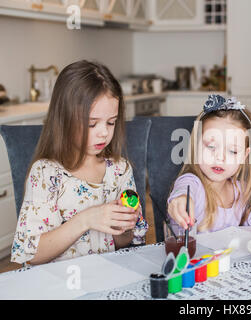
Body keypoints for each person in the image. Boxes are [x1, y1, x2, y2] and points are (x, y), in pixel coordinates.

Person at [11, 60, 148, 265]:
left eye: (111, 122)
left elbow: (123, 243)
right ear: (64, 119)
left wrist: (124, 225)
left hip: (104, 277)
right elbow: (31, 254)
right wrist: (86, 219)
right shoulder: (46, 173)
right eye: (92, 123)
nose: (104, 132)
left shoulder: (120, 170)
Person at [167, 94, 251, 233]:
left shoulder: (240, 191)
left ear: (244, 155)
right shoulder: (192, 184)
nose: (220, 158)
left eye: (232, 151)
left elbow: (241, 233)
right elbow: (183, 192)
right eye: (211, 147)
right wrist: (181, 200)